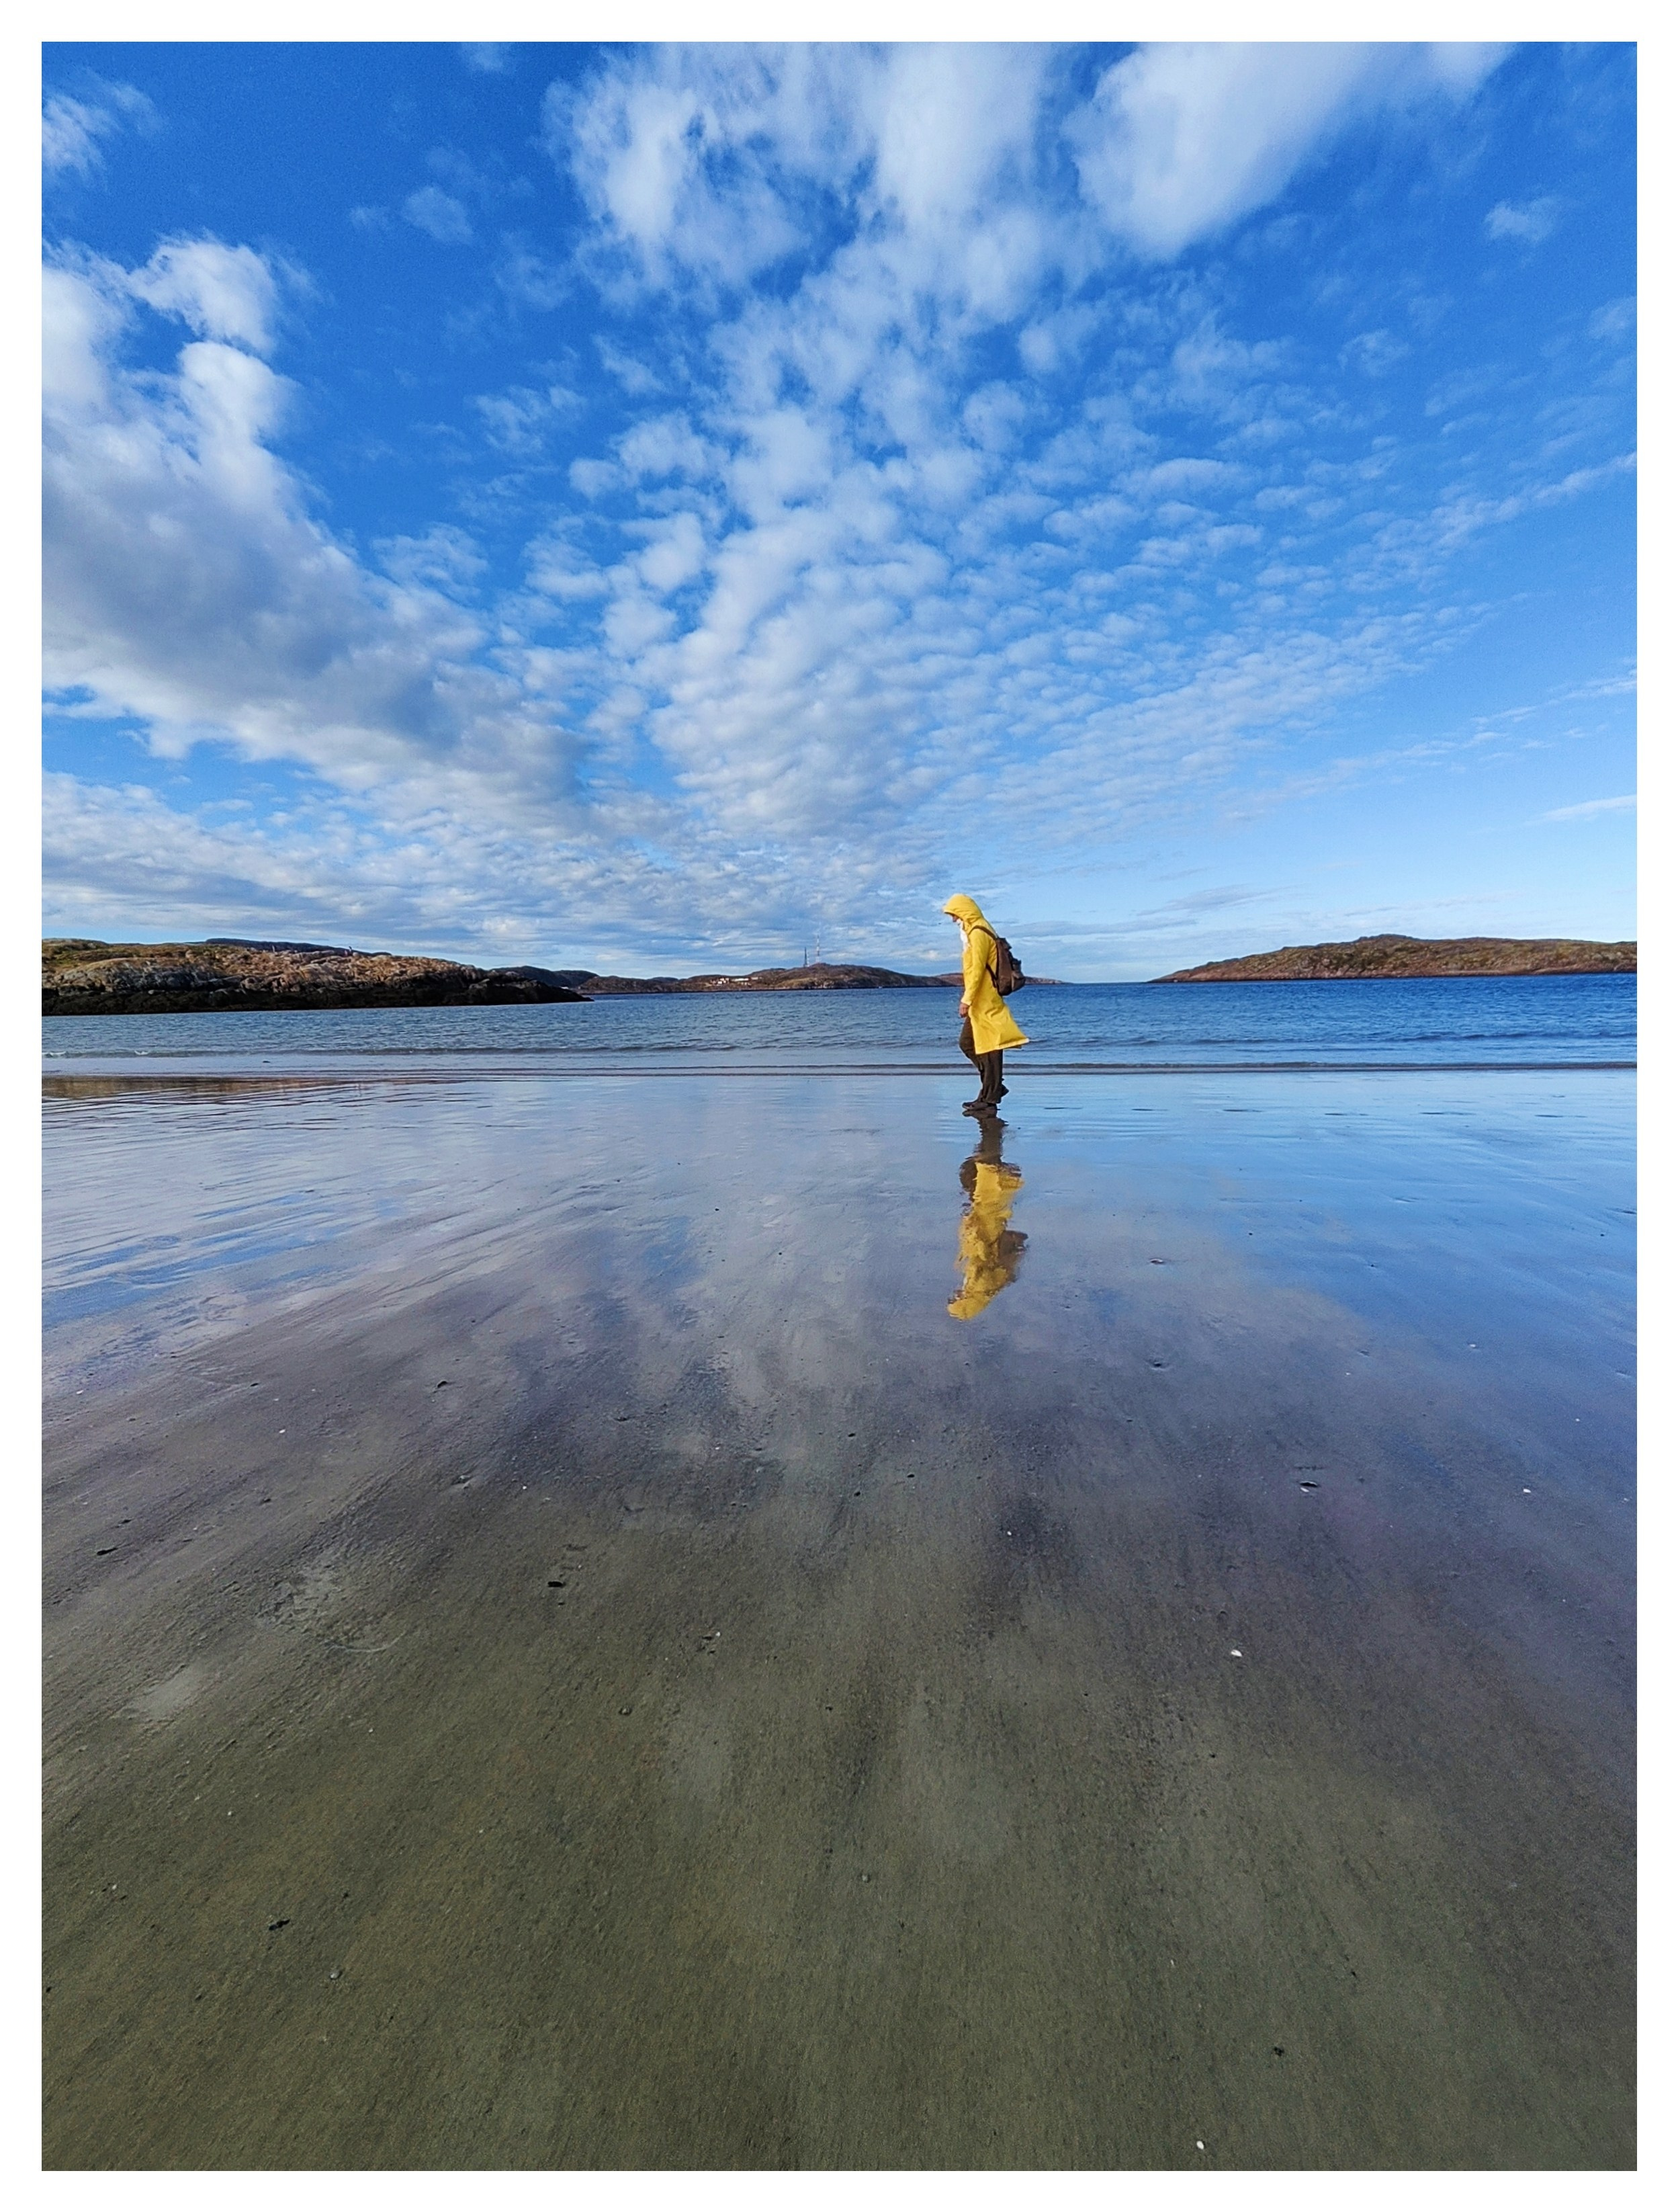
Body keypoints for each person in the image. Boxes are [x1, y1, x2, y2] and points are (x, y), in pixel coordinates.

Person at [942, 893, 1027, 1116]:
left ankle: (989, 1099)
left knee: (988, 1047)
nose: (954, 920)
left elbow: (978, 970)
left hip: (985, 999)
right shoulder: (975, 930)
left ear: (965, 911)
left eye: (955, 914)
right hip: (983, 999)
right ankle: (993, 1087)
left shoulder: (979, 932)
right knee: (970, 1044)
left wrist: (967, 999)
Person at [948, 1118, 1027, 1320]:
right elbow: (987, 1249)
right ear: (966, 1302)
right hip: (988, 1212)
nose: (955, 1294)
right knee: (987, 1165)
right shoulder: (981, 1283)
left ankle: (990, 1127)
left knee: (987, 1166)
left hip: (988, 1214)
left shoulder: (985, 1283)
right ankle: (991, 1125)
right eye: (956, 1300)